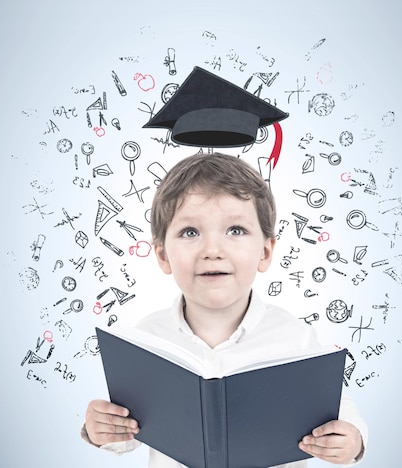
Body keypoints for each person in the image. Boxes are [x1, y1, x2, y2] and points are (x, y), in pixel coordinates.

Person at [81, 153, 368, 467]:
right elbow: (126, 432)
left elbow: (339, 412)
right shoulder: (147, 338)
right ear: (163, 255)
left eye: (235, 230)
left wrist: (351, 439)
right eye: (190, 232)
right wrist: (100, 429)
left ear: (265, 250)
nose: (213, 251)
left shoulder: (296, 338)